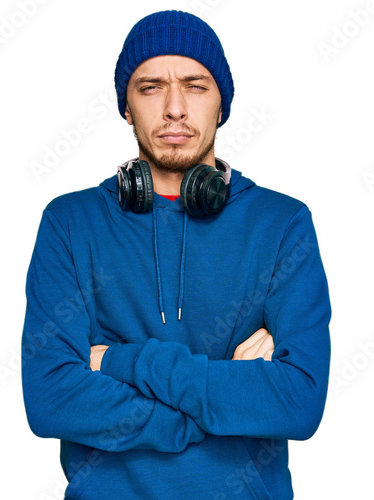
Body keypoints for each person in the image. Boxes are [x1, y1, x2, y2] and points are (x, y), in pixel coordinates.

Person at [21, 10, 331, 500]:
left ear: (222, 104)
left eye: (195, 85)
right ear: (126, 106)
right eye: (149, 87)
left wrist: (120, 362)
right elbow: (50, 399)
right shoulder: (70, 222)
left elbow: (299, 402)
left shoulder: (282, 223)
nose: (174, 108)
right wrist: (228, 396)